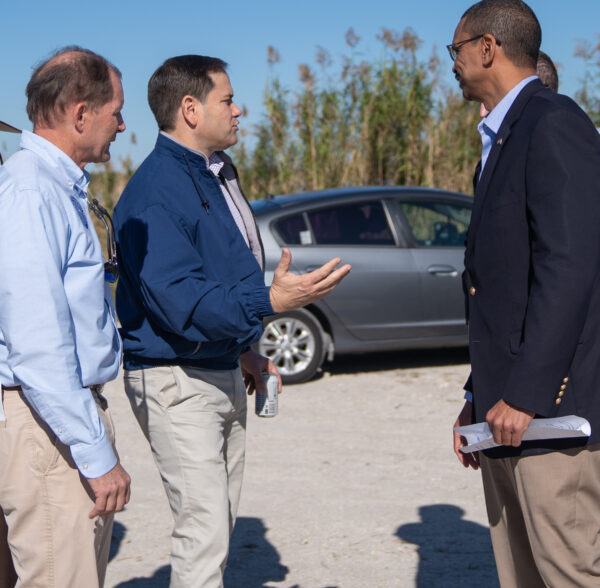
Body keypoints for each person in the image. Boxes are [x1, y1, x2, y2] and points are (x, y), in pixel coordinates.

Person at [113, 54, 350, 588]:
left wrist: (244, 349)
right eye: (228, 99)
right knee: (204, 532)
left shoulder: (215, 172)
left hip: (217, 367)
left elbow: (217, 272)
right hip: (177, 379)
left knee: (216, 524)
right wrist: (270, 300)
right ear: (190, 109)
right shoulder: (155, 193)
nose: (239, 110)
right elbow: (182, 302)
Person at [449, 1, 600, 586]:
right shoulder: (501, 138)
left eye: (457, 49)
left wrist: (528, 393)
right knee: (521, 574)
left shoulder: (553, 122)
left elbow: (570, 267)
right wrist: (477, 393)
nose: (453, 63)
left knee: (568, 573)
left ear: (487, 48)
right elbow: (503, 289)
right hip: (503, 413)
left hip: (548, 415)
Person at [0, 47, 131, 588]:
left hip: (56, 418)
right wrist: (95, 452)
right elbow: (38, 346)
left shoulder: (51, 187)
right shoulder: (32, 192)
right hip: (48, 423)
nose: (122, 125)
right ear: (80, 114)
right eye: (115, 112)